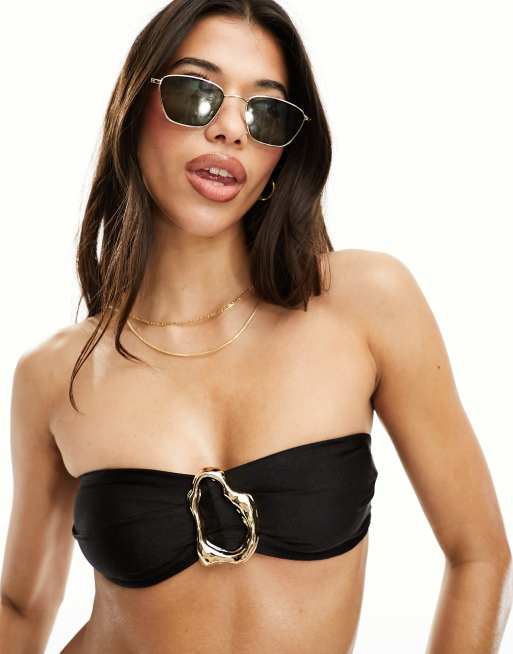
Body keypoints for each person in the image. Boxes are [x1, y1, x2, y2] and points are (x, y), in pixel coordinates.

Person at [1, 1, 511, 653]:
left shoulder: (365, 303)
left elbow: (478, 554)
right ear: (132, 111)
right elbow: (20, 606)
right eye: (195, 94)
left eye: (264, 113)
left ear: (281, 154)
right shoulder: (55, 374)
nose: (230, 131)